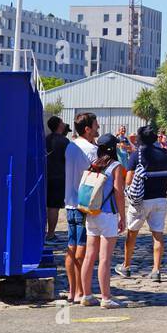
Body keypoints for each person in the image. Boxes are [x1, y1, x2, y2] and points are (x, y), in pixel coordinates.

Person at [120, 126, 167, 282]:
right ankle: (156, 270)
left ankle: (126, 266)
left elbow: (129, 180)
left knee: (132, 233)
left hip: (141, 200)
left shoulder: (136, 154)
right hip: (160, 199)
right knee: (158, 235)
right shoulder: (165, 154)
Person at [78, 133, 126, 307]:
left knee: (90, 255)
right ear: (113, 148)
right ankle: (106, 297)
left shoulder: (94, 165)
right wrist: (122, 216)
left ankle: (87, 295)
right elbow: (119, 193)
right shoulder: (116, 166)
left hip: (92, 213)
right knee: (105, 258)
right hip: (108, 215)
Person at [60, 112, 101, 304]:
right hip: (85, 203)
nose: (98, 127)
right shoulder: (92, 150)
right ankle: (81, 291)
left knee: (71, 246)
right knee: (82, 249)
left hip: (70, 202)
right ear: (87, 128)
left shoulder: (70, 146)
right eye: (95, 125)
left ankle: (71, 290)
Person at [43, 115, 69, 242]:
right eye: (62, 122)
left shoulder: (46, 139)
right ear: (59, 125)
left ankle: (41, 231)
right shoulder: (64, 141)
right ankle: (51, 233)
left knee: (44, 205)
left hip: (45, 176)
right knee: (53, 207)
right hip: (58, 176)